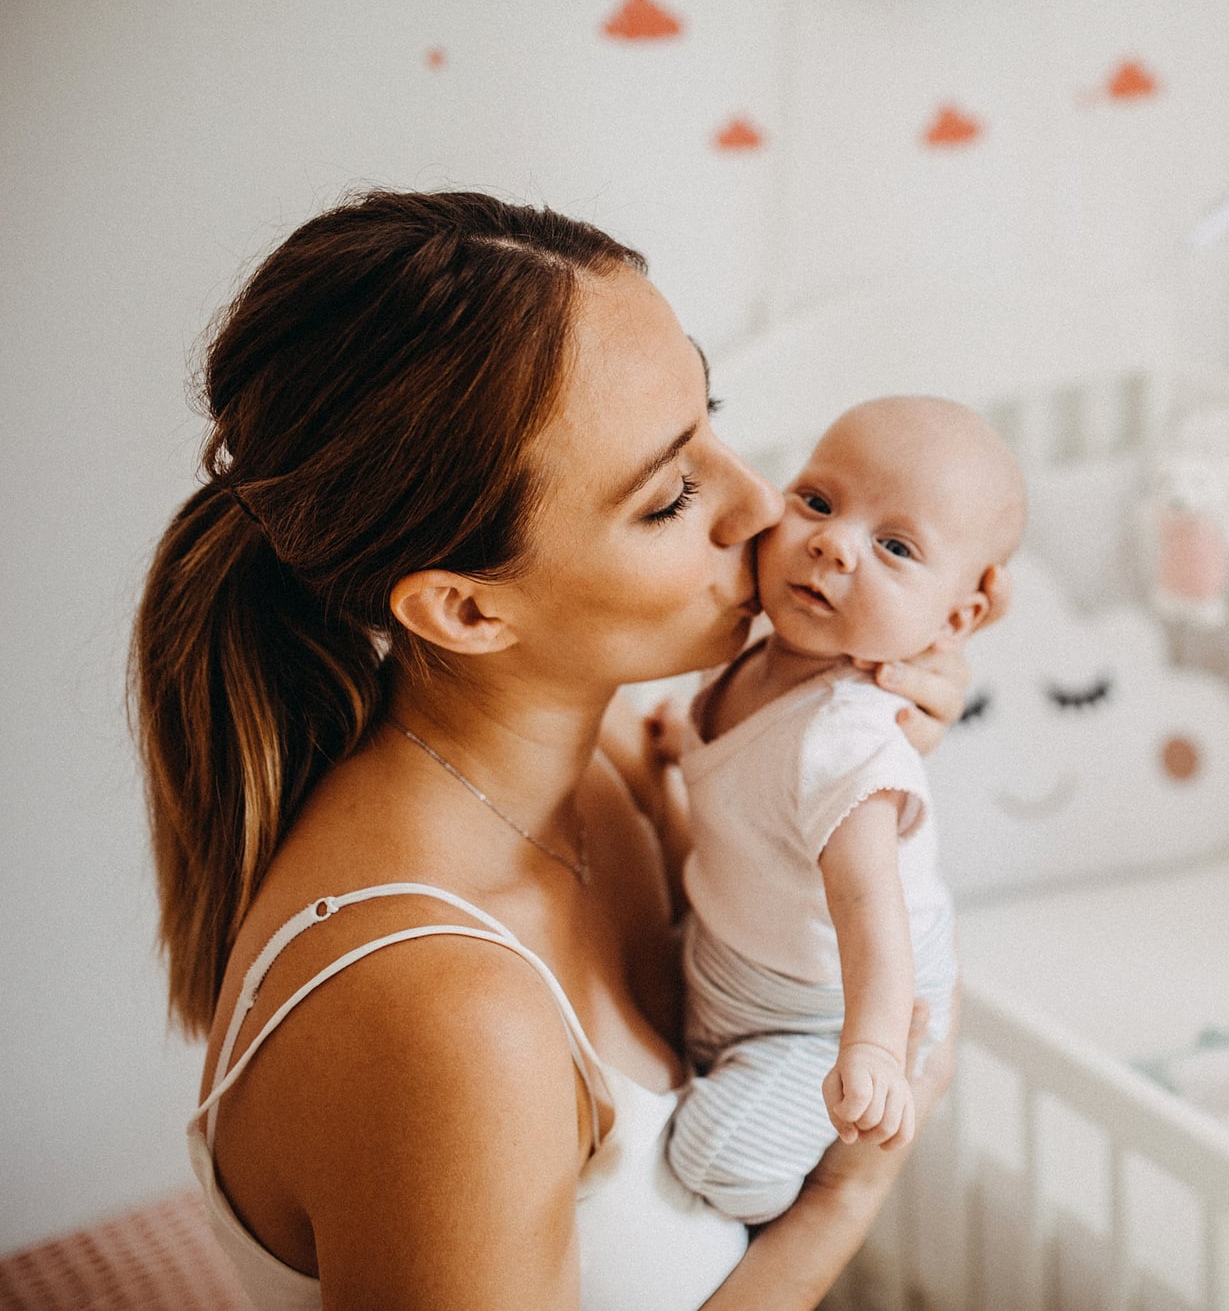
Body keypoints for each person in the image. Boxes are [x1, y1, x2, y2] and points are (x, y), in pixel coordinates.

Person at [132, 189, 1006, 1309]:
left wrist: (846, 712)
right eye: (669, 495)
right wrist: (848, 1195)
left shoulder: (603, 771)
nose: (757, 506)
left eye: (711, 418)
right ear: (465, 611)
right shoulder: (448, 1018)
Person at [644, 396, 1025, 1223]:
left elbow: (869, 911)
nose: (831, 541)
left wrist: (876, 1051)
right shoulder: (748, 649)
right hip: (734, 958)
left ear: (954, 620)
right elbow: (746, 771)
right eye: (817, 500)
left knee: (718, 1165)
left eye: (894, 546)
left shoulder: (848, 742)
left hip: (827, 1012)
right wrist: (680, 740)